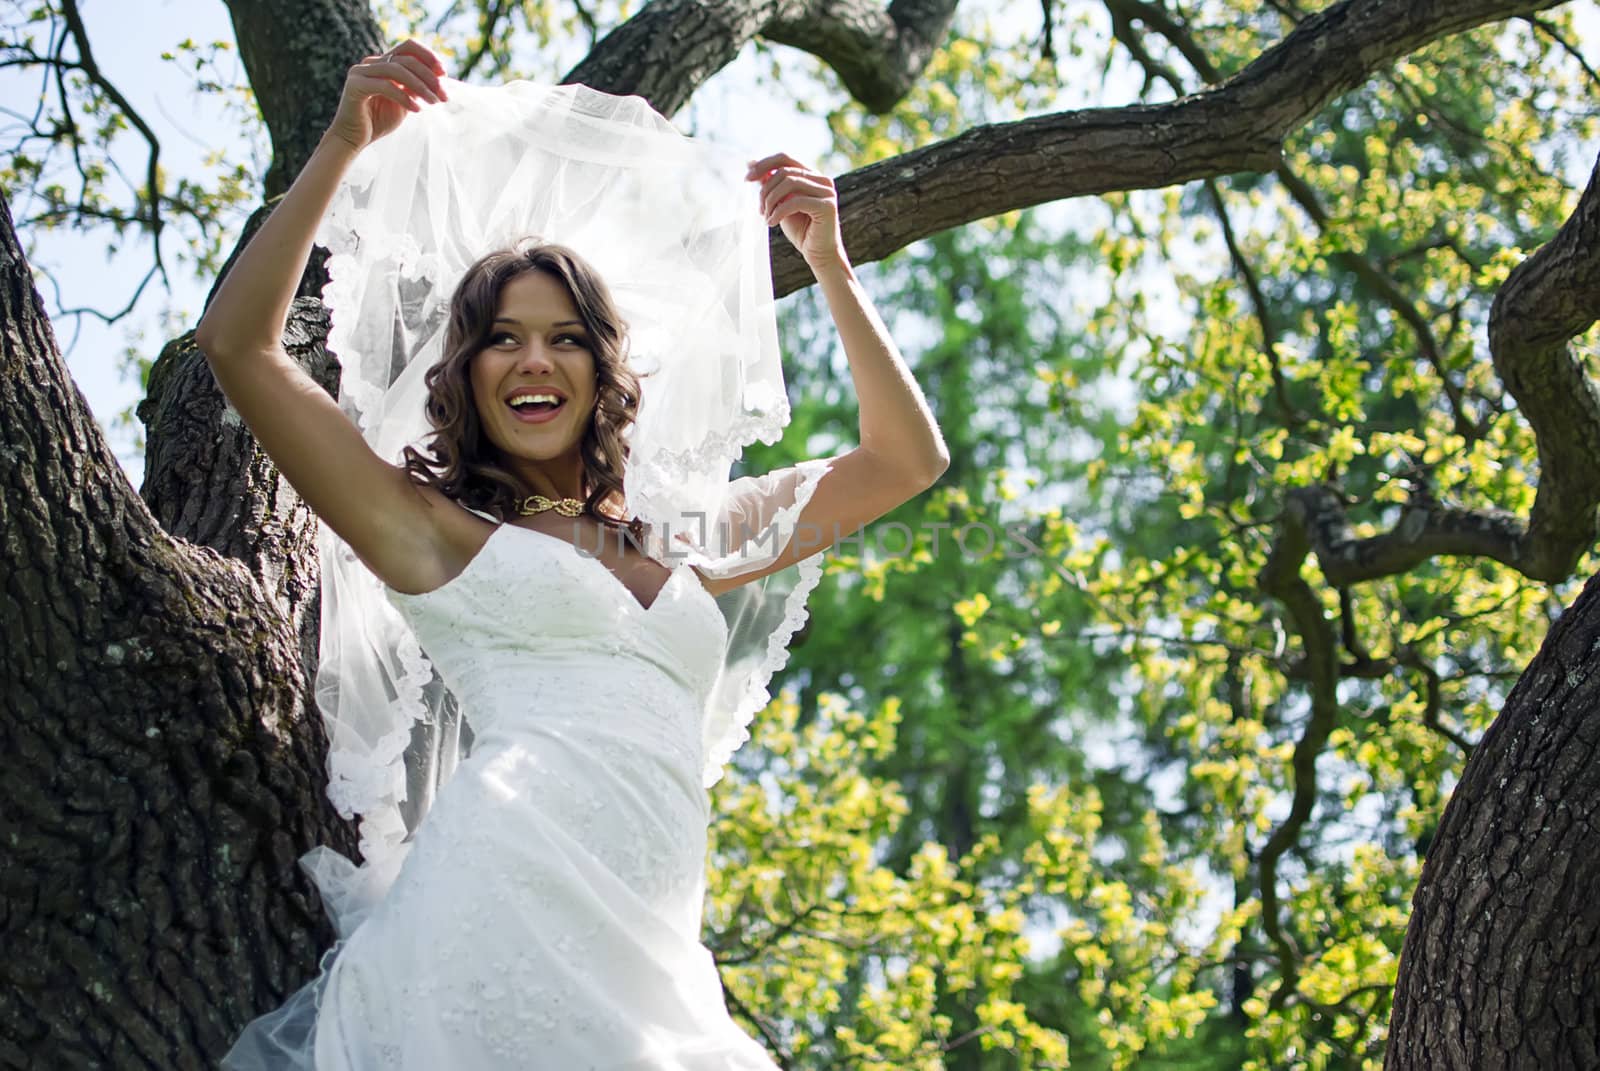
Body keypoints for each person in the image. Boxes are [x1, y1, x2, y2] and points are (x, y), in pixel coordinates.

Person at [199, 39, 948, 1069]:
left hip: (656, 941)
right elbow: (239, 349)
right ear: (466, 375)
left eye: (564, 336)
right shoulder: (434, 532)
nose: (534, 359)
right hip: (501, 887)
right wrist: (339, 145)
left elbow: (904, 459)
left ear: (604, 369)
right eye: (502, 338)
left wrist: (827, 261)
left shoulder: (690, 536)